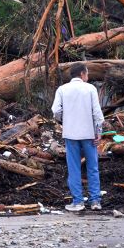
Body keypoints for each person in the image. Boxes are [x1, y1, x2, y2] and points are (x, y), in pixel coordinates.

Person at [51, 63, 104, 211]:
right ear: (82, 74)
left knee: (74, 168)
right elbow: (97, 113)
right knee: (92, 168)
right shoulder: (90, 89)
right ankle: (95, 201)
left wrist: (64, 120)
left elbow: (55, 111)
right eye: (87, 74)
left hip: (71, 134)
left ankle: (78, 202)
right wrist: (98, 131)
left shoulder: (62, 89)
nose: (88, 76)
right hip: (89, 135)